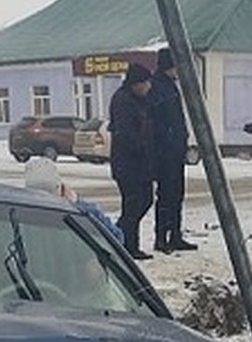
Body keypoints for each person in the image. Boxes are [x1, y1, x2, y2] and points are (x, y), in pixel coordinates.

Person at [148, 48, 197, 253]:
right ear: (170, 65)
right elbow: (160, 121)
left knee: (176, 194)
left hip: (175, 150)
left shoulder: (169, 86)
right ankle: (161, 238)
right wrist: (169, 141)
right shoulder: (158, 87)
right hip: (165, 152)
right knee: (167, 195)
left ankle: (175, 235)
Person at [108, 62, 154, 260]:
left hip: (139, 164)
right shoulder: (123, 101)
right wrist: (142, 148)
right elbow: (126, 134)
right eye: (145, 83)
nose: (148, 87)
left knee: (145, 200)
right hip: (128, 164)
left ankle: (118, 236)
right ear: (136, 83)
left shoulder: (138, 100)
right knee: (133, 205)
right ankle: (127, 245)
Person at [23, 155, 124, 245]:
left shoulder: (83, 213)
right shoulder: (18, 216)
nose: (45, 205)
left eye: (50, 198)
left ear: (61, 191)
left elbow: (116, 239)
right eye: (40, 199)